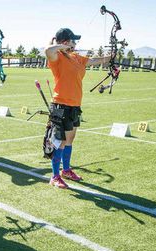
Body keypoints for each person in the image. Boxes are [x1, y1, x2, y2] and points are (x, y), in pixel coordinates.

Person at [45, 28, 108, 189]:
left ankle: (66, 170)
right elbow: (47, 50)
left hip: (74, 105)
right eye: (73, 41)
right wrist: (60, 46)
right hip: (60, 104)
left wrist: (111, 57)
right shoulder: (57, 57)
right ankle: (55, 176)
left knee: (70, 139)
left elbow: (94, 61)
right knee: (60, 142)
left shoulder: (76, 57)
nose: (75, 43)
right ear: (65, 42)